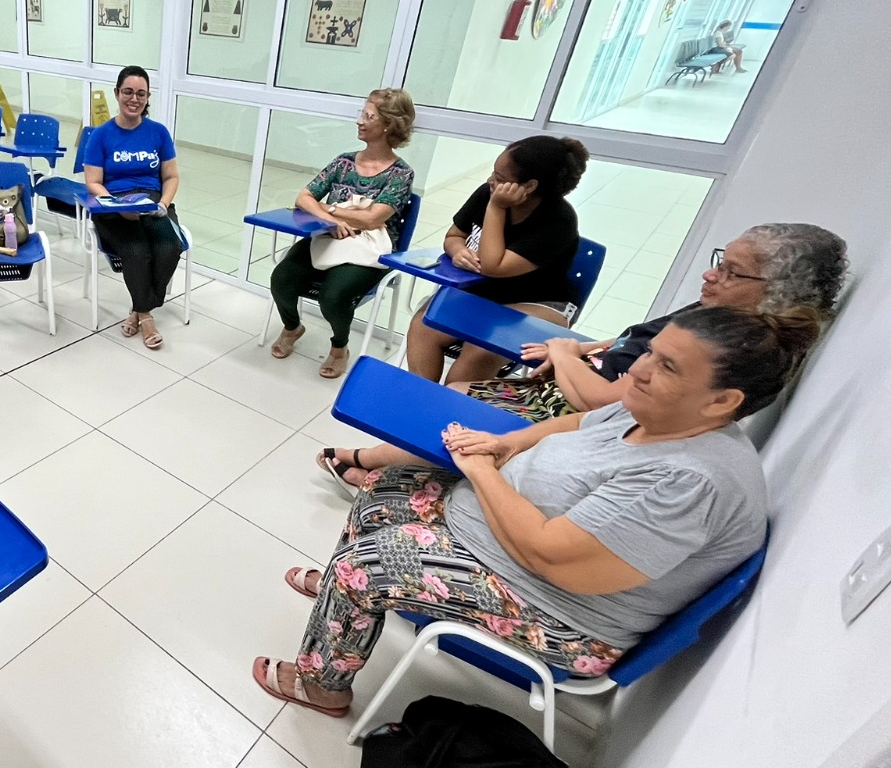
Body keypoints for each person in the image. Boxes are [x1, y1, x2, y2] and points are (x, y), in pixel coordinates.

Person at [255, 306, 819, 716]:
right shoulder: (654, 410)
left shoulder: (689, 480)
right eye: (651, 352)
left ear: (723, 402)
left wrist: (479, 471)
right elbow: (576, 422)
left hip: (564, 614)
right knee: (388, 482)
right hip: (509, 538)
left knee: (366, 564)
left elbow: (550, 555)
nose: (640, 370)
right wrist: (504, 447)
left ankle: (322, 682)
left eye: (668, 367)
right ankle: (343, 602)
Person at [318, 222, 847, 485]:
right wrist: (586, 349)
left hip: (579, 411)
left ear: (778, 290)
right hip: (572, 378)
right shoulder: (721, 317)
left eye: (732, 271)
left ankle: (371, 463)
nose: (712, 274)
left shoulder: (734, 347)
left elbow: (607, 402)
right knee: (454, 381)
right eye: (719, 261)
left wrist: (567, 352)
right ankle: (387, 466)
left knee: (456, 402)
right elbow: (633, 344)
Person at [404, 136, 589, 387]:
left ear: (530, 186)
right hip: (488, 292)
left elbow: (494, 266)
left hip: (541, 302)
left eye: (501, 179)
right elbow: (454, 235)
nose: (491, 181)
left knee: (480, 348)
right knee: (423, 325)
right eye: (493, 173)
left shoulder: (558, 221)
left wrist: (496, 207)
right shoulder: (487, 191)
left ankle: (450, 411)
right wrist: (457, 250)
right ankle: (420, 398)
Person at [268, 89, 416, 380]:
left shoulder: (401, 173)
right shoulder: (344, 161)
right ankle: (292, 327)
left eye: (368, 116)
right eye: (362, 114)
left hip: (369, 248)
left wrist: (330, 209)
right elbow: (304, 197)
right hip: (327, 236)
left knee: (333, 296)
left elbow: (374, 219)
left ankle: (339, 348)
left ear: (388, 124)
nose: (360, 121)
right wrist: (329, 219)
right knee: (281, 279)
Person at [82, 66, 182, 350]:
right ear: (117, 93)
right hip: (113, 204)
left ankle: (138, 309)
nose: (134, 99)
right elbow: (93, 182)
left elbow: (172, 176)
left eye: (141, 93)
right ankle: (147, 316)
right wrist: (117, 206)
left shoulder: (158, 133)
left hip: (151, 202)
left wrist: (163, 203)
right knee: (137, 251)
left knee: (169, 247)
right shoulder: (101, 136)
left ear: (148, 96)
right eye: (128, 92)